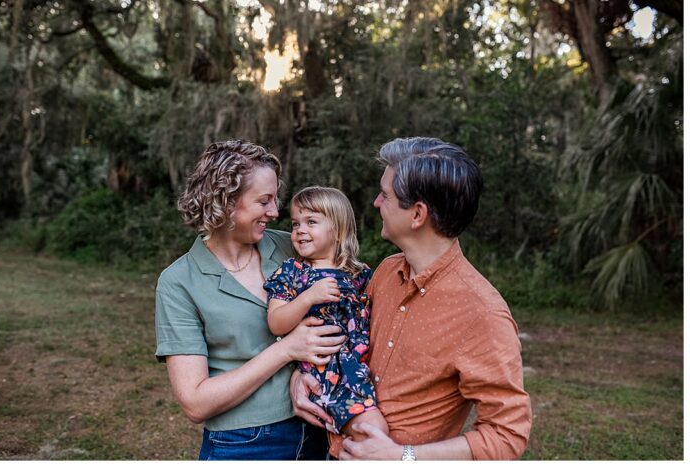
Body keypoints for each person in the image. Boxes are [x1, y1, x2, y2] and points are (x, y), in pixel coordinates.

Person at [292, 137, 532, 460]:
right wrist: (301, 376)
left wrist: (403, 457)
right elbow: (345, 342)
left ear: (417, 214)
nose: (376, 202)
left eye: (385, 195)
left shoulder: (482, 312)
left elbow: (507, 435)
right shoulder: (385, 273)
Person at [155, 140, 345, 460]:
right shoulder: (178, 283)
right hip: (245, 441)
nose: (275, 211)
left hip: (319, 425)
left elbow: (342, 305)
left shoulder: (291, 247)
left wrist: (301, 372)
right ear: (226, 202)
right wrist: (286, 350)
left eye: (274, 199)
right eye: (264, 201)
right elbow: (195, 402)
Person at [264, 186, 386, 459]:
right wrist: (308, 298)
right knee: (374, 431)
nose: (299, 230)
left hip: (364, 370)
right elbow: (276, 322)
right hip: (327, 374)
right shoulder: (293, 272)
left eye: (311, 222)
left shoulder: (359, 274)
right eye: (295, 223)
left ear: (339, 230)